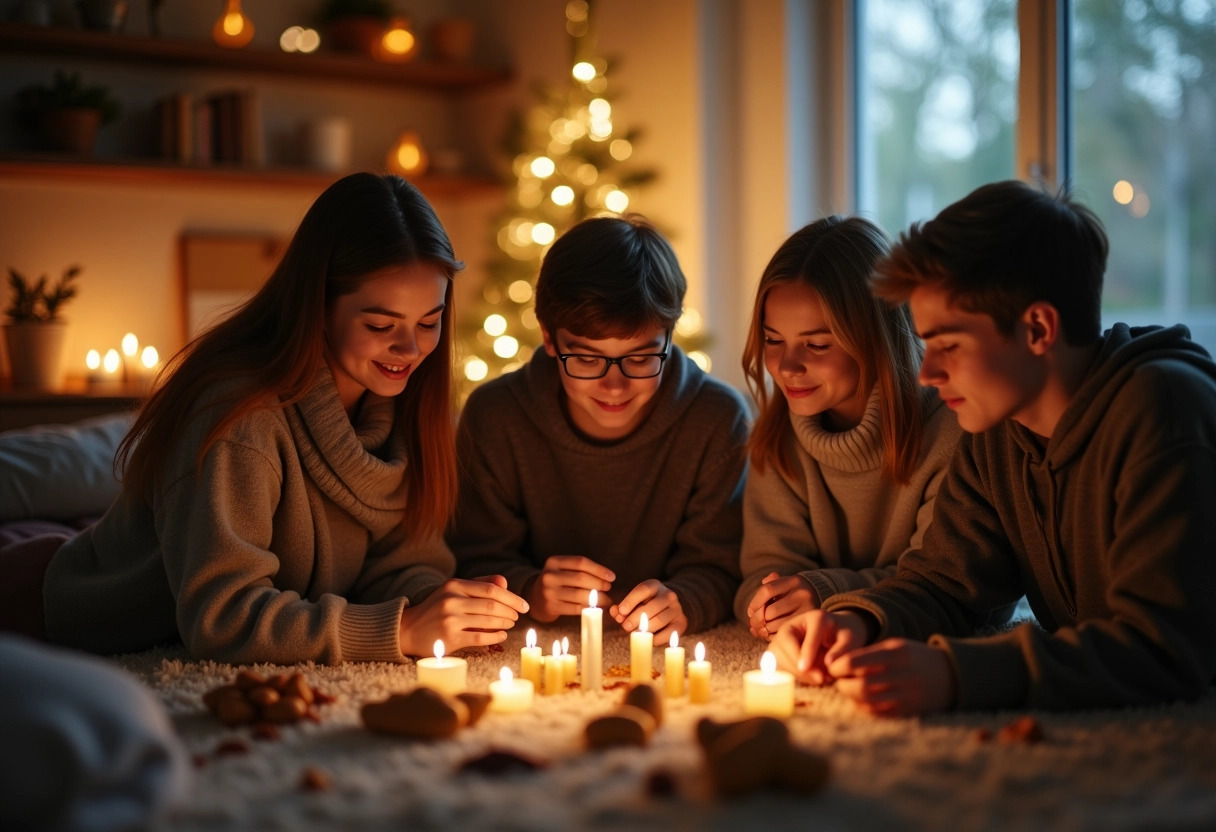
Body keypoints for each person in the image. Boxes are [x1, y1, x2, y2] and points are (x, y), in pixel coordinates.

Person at [39, 173, 528, 664]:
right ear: (316, 305)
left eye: (430, 321)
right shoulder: (239, 418)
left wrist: (438, 603)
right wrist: (399, 629)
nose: (411, 348)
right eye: (380, 325)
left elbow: (398, 562)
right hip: (71, 612)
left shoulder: (411, 406)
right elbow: (223, 617)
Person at [771, 180, 1216, 714]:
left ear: (1037, 328)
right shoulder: (996, 433)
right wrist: (857, 619)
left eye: (949, 346)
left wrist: (959, 674)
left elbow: (1165, 651)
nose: (928, 374)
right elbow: (943, 583)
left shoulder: (1162, 408)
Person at [448, 215, 749, 640]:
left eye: (641, 358)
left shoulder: (717, 419)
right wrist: (532, 589)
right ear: (550, 339)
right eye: (587, 359)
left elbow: (723, 567)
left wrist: (686, 601)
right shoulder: (496, 416)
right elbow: (472, 560)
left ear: (670, 335)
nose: (614, 385)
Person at [735, 216, 962, 640]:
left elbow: (943, 586)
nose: (786, 366)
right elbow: (759, 574)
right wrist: (771, 604)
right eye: (772, 340)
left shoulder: (951, 431)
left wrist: (824, 591)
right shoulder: (776, 438)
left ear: (877, 338)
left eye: (817, 345)